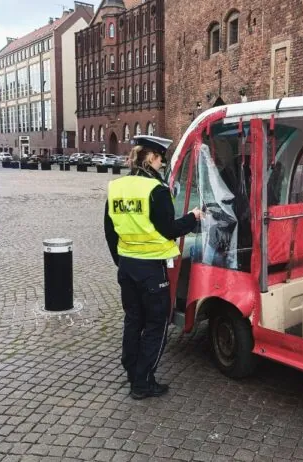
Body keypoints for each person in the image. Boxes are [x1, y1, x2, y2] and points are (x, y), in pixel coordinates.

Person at [104, 136, 203, 400]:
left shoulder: (117, 187)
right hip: (151, 270)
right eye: (160, 158)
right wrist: (192, 218)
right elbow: (169, 229)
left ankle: (131, 369)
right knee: (156, 324)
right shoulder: (156, 190)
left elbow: (110, 231)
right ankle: (143, 382)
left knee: (133, 320)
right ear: (150, 158)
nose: (162, 164)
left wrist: (121, 259)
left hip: (127, 267)